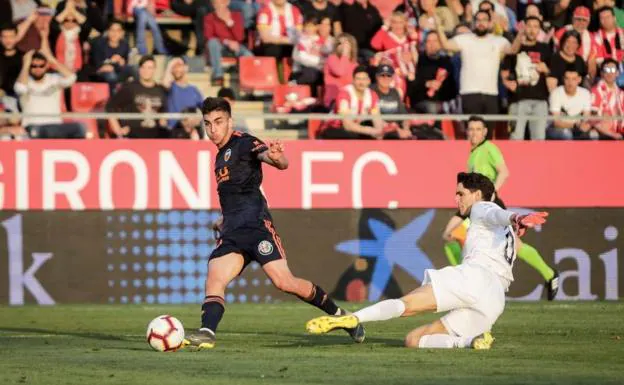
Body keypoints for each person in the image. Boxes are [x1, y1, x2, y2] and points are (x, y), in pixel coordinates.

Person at [184, 97, 365, 349]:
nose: (213, 129)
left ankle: (341, 316)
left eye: (218, 122)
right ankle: (207, 332)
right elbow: (239, 193)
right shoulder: (219, 158)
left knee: (284, 283)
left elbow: (277, 161)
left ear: (230, 121)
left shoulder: (244, 142)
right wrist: (223, 219)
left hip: (257, 228)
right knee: (214, 277)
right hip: (233, 232)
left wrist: (277, 157)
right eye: (208, 124)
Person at [306, 172, 549, 349]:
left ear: (477, 194)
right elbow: (501, 221)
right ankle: (470, 342)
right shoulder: (504, 231)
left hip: (475, 277)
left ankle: (354, 318)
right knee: (414, 340)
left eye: (460, 193)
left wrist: (515, 216)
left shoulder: (481, 207)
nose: (456, 199)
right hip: (495, 300)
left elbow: (494, 212)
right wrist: (515, 221)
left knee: (407, 304)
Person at [442, 116, 560, 300]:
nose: (474, 133)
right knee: (449, 234)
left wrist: (492, 191)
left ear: (485, 132)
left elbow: (504, 172)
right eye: (471, 129)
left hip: (489, 203)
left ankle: (550, 274)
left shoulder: (489, 148)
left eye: (478, 129)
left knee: (514, 245)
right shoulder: (473, 153)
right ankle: (464, 283)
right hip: (475, 203)